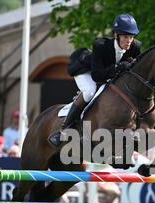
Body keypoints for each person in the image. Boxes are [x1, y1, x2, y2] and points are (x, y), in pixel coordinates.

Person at [49, 13, 142, 147]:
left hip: (108, 74)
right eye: (126, 36)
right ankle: (64, 129)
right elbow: (97, 76)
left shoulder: (135, 47)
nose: (129, 41)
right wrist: (117, 67)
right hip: (87, 71)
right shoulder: (101, 45)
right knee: (89, 92)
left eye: (132, 37)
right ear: (116, 35)